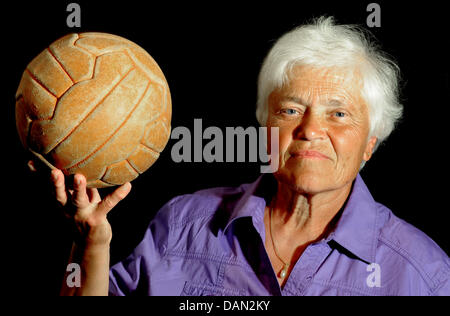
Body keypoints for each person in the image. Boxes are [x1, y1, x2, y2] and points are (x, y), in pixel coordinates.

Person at [31, 16, 449, 295]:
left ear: (370, 143)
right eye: (289, 110)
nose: (309, 130)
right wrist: (91, 243)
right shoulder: (183, 225)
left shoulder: (422, 273)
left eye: (338, 114)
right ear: (265, 125)